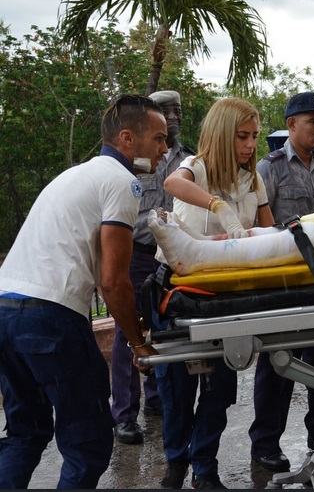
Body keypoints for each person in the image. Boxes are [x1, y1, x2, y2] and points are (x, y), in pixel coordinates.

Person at [0, 94, 166, 488]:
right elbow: (113, 280)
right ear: (127, 138)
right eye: (158, 138)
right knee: (88, 439)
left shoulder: (74, 174)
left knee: (26, 432)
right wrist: (139, 343)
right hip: (49, 316)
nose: (165, 148)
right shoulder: (122, 182)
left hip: (5, 308)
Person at [155, 97, 275, 490]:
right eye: (242, 136)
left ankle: (204, 467)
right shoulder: (197, 167)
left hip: (226, 295)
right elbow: (172, 183)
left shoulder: (253, 178)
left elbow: (267, 231)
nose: (250, 145)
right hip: (178, 291)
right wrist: (217, 204)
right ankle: (175, 465)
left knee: (221, 389)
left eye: (255, 137)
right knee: (176, 389)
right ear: (223, 134)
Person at [249, 91, 314, 472]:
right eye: (313, 122)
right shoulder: (269, 168)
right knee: (278, 364)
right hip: (284, 281)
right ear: (291, 125)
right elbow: (260, 226)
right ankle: (266, 443)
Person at [110, 90, 193, 445]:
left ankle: (158, 400)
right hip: (138, 251)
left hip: (177, 255)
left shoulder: (190, 159)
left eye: (176, 112)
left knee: (168, 324)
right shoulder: (133, 159)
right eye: (164, 113)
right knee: (126, 328)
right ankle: (124, 414)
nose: (172, 118)